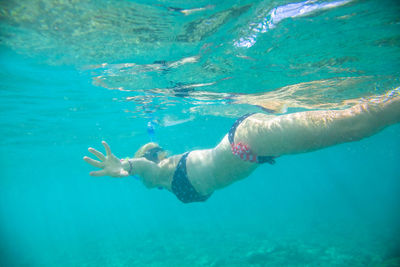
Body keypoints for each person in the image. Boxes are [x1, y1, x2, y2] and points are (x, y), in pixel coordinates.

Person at [83, 88, 400, 203]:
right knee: (349, 118)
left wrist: (124, 166)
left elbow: (144, 168)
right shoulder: (166, 170)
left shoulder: (159, 173)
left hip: (243, 141)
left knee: (355, 123)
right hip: (250, 148)